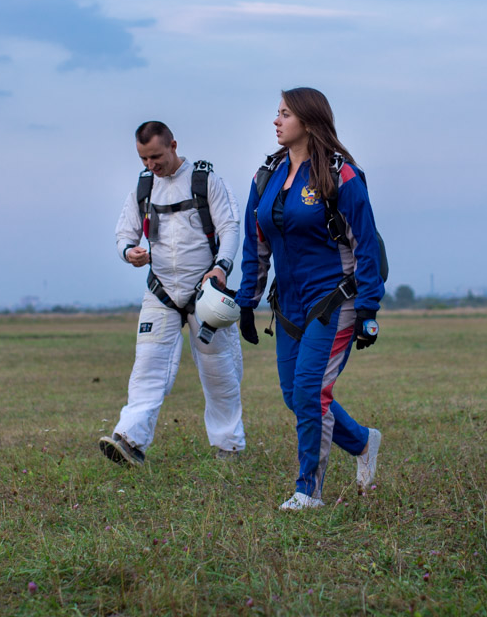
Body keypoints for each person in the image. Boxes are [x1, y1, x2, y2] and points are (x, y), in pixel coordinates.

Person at [236, 88, 385, 510]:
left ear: (308, 120)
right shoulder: (265, 176)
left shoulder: (341, 175)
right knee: (294, 395)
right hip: (288, 306)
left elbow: (365, 245)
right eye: (277, 113)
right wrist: (247, 301)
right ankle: (362, 442)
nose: (276, 121)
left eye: (285, 113)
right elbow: (255, 243)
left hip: (334, 302)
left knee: (309, 392)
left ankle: (308, 490)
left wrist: (368, 308)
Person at [99, 121, 246, 466]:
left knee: (219, 372)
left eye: (156, 156)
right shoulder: (143, 188)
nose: (151, 164)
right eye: (144, 158)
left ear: (173, 146)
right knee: (147, 366)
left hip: (205, 294)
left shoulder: (206, 181)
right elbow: (124, 234)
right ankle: (130, 440)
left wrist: (221, 267)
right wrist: (129, 252)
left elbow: (229, 227)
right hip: (160, 291)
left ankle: (229, 447)